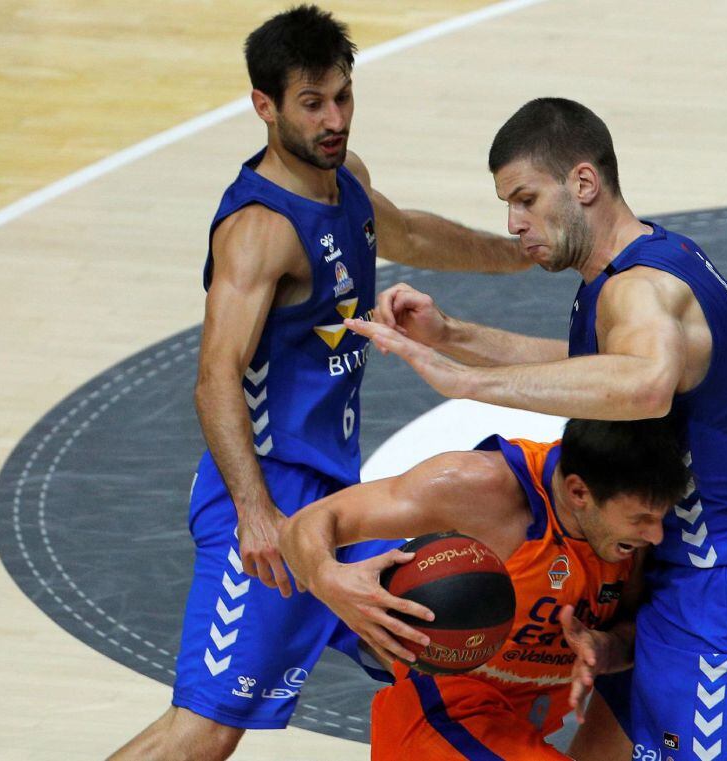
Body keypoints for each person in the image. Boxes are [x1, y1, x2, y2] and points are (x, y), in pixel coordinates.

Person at [108, 7, 527, 760]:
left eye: (343, 96)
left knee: (455, 645)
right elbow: (213, 379)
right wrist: (254, 511)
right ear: (264, 106)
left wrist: (523, 255)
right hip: (267, 508)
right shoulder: (259, 230)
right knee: (203, 729)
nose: (334, 119)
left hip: (338, 503)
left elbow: (413, 235)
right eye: (312, 103)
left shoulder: (347, 180)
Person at [348, 98, 727, 760]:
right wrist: (453, 336)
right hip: (673, 578)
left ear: (585, 183)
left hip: (723, 589)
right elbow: (592, 370)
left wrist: (466, 382)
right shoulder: (643, 267)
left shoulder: (640, 288)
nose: (513, 224)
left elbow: (646, 383)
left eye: (526, 199)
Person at [278, 417, 691, 760]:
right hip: (444, 713)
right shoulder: (479, 488)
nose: (656, 535)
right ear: (579, 492)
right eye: (640, 519)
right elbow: (312, 521)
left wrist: (606, 649)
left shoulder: (629, 530)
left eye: (659, 518)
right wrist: (325, 576)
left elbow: (634, 629)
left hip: (518, 726)